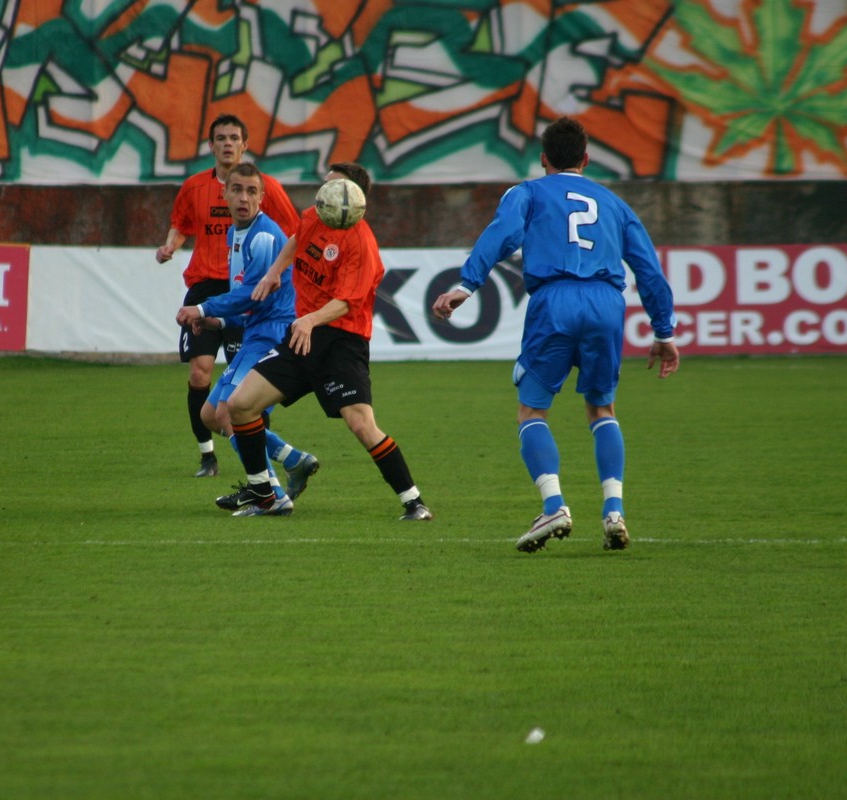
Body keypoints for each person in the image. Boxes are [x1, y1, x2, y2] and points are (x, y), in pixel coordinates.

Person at [431, 116, 679, 552]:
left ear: (543, 159)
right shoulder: (615, 204)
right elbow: (649, 270)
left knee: (532, 411)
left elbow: (502, 234)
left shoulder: (527, 192)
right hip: (606, 303)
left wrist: (466, 285)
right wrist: (663, 331)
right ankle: (614, 512)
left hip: (555, 301)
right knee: (602, 408)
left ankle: (554, 506)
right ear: (586, 159)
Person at [222, 162, 432, 521]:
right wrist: (274, 272)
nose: (325, 191)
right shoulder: (316, 215)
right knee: (239, 405)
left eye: (334, 186)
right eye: (326, 184)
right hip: (301, 337)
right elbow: (296, 238)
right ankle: (266, 497)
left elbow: (347, 302)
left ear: (354, 197)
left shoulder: (361, 243)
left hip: (341, 343)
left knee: (361, 424)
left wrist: (309, 320)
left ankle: (414, 503)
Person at [157, 113, 299, 478]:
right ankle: (211, 456)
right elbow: (181, 224)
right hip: (212, 288)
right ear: (211, 145)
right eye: (221, 138)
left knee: (237, 404)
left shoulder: (263, 224)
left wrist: (279, 272)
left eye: (234, 137)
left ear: (244, 145)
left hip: (252, 305)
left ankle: (268, 484)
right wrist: (171, 245)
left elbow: (297, 234)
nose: (227, 143)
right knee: (202, 382)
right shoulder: (197, 190)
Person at [174, 163, 319, 514]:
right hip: (256, 330)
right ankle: (293, 459)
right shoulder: (234, 233)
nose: (243, 198)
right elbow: (248, 298)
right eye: (237, 189)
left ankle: (271, 494)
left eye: (252, 191)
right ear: (224, 193)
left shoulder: (264, 237)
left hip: (273, 333)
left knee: (229, 412)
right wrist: (218, 321)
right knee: (211, 414)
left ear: (262, 198)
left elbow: (256, 292)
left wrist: (203, 308)